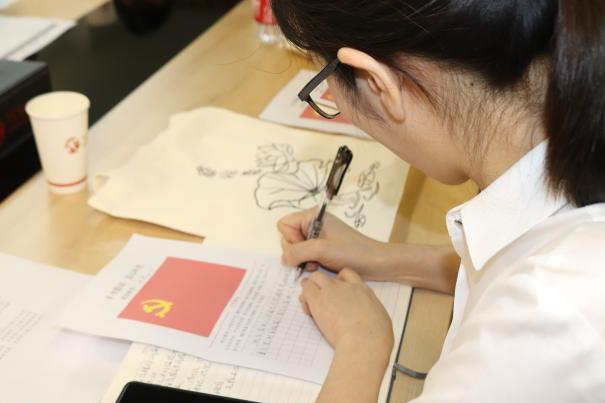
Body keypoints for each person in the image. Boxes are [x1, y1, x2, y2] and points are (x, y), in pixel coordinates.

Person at [272, 1, 605, 402]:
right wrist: (382, 258)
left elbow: (527, 293)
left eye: (324, 83)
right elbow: (509, 261)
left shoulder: (545, 315)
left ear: (377, 82)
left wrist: (361, 344)